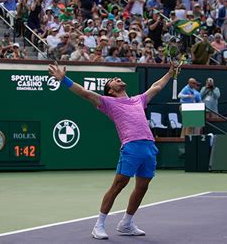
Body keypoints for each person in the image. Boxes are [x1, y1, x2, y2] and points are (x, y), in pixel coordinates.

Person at [48, 61, 181, 240]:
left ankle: (126, 223)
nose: (118, 79)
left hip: (149, 146)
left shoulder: (138, 100)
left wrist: (170, 73)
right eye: (113, 80)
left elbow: (156, 87)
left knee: (142, 187)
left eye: (118, 78)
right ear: (110, 90)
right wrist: (64, 80)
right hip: (131, 147)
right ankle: (99, 225)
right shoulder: (107, 102)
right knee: (119, 184)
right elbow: (85, 93)